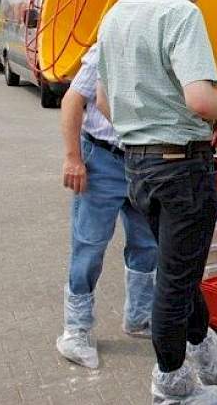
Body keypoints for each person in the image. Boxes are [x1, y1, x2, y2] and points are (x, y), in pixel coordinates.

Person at [96, 0, 217, 405]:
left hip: (138, 166)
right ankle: (171, 389)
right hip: (181, 167)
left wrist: (143, 123)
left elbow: (104, 102)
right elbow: (200, 99)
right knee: (175, 281)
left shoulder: (117, 13)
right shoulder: (182, 14)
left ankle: (209, 359)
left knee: (177, 268)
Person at [57, 43, 159, 370]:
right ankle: (76, 330)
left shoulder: (162, 44)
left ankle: (140, 318)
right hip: (101, 160)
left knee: (147, 244)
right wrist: (73, 158)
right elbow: (73, 99)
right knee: (90, 246)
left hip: (144, 163)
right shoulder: (108, 46)